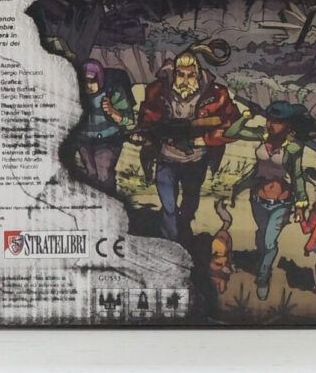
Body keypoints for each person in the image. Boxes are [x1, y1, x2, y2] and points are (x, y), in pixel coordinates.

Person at [137, 51, 240, 248]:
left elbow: (233, 126)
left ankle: (184, 235)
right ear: (174, 73)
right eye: (180, 74)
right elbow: (146, 119)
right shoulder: (157, 91)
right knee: (168, 207)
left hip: (196, 161)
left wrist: (206, 139)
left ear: (198, 75)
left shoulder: (216, 95)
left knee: (190, 205)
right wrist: (147, 136)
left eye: (190, 75)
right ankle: (171, 244)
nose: (185, 80)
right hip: (166, 158)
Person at [228, 100, 316, 300]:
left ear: (288, 124)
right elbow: (231, 132)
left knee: (269, 242)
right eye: (269, 120)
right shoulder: (262, 135)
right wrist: (246, 116)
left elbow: (298, 175)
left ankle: (263, 276)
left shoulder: (293, 147)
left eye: (277, 121)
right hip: (258, 200)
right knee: (261, 235)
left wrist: (301, 203)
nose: (270, 124)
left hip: (281, 203)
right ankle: (262, 262)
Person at [75, 59, 134, 192]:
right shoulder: (77, 94)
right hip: (85, 141)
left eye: (92, 81)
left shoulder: (113, 92)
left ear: (99, 78)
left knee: (104, 174)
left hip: (109, 140)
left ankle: (109, 199)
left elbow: (129, 120)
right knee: (91, 174)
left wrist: (114, 112)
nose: (88, 86)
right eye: (85, 82)